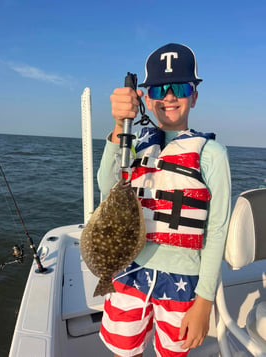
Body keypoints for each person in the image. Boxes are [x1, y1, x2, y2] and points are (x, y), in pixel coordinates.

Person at [97, 43, 231, 356]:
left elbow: (217, 230)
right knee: (123, 350)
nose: (169, 97)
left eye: (180, 88)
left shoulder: (211, 154)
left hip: (182, 279)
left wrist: (204, 300)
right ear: (146, 97)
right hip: (128, 270)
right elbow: (106, 185)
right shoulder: (134, 144)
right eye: (159, 89)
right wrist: (119, 126)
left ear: (194, 96)